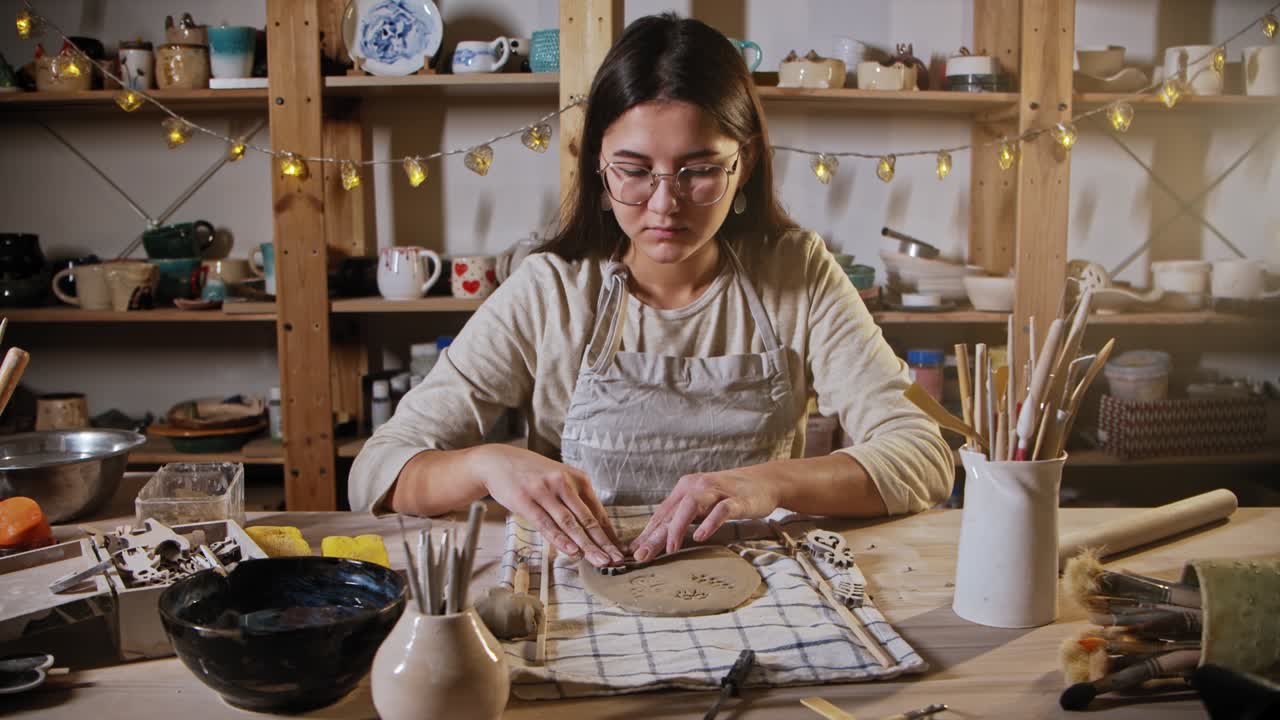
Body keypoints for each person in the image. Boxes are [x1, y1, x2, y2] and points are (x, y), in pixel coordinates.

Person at [350, 14, 953, 569]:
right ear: (598, 165)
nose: (665, 204)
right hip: (587, 596)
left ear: (743, 163)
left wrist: (767, 484)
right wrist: (485, 464)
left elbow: (923, 455)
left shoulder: (798, 274)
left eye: (699, 171)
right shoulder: (551, 290)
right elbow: (376, 472)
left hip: (762, 588)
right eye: (635, 171)